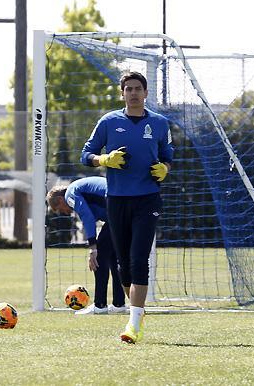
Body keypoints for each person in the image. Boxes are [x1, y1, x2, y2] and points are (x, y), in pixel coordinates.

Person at [80, 71, 174, 344]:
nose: (133, 93)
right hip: (117, 200)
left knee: (139, 258)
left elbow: (168, 156)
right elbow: (85, 155)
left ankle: (133, 323)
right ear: (122, 93)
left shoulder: (159, 123)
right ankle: (137, 311)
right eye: (128, 89)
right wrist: (104, 159)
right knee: (123, 264)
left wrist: (165, 169)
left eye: (137, 89)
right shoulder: (108, 122)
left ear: (145, 93)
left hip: (148, 199)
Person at [46, 176, 127, 314]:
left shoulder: (70, 194)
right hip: (125, 209)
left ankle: (99, 305)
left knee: (99, 258)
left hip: (118, 212)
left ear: (60, 199)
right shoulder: (82, 191)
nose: (64, 212)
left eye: (59, 209)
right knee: (113, 259)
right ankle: (119, 304)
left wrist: (93, 248)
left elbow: (87, 217)